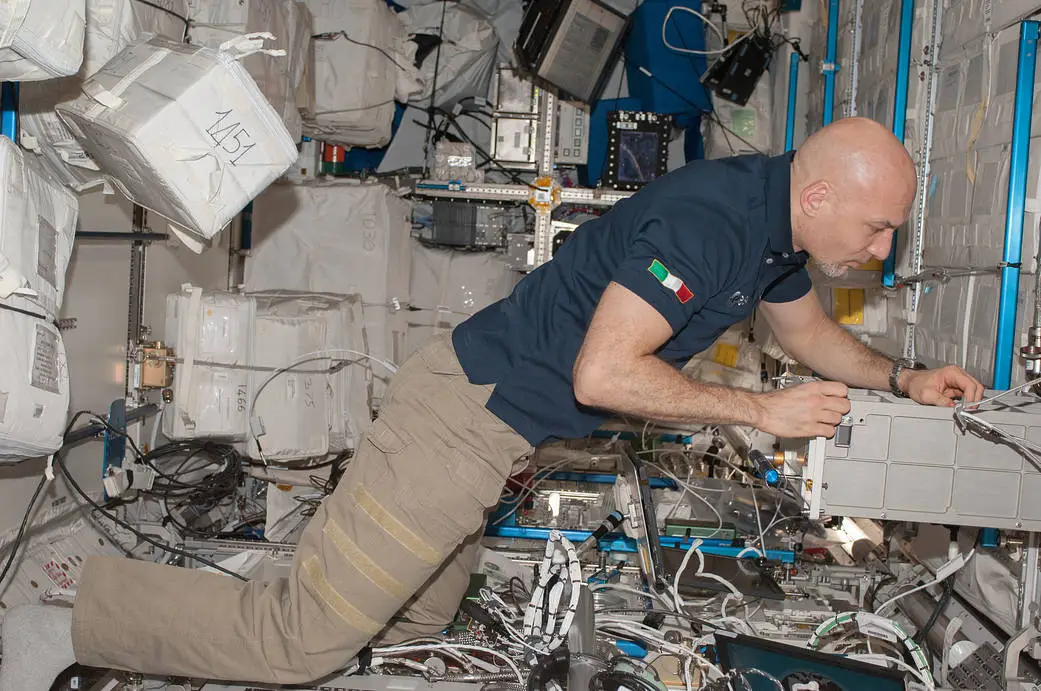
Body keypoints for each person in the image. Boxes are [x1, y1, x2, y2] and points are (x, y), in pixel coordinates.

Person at [0, 117, 984, 689]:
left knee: (424, 630)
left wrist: (900, 379)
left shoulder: (772, 227)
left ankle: (275, 593)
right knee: (297, 642)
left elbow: (807, 331)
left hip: (495, 431)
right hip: (460, 420)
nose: (883, 250)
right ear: (823, 201)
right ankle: (82, 605)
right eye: (880, 227)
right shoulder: (711, 223)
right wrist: (757, 413)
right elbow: (606, 375)